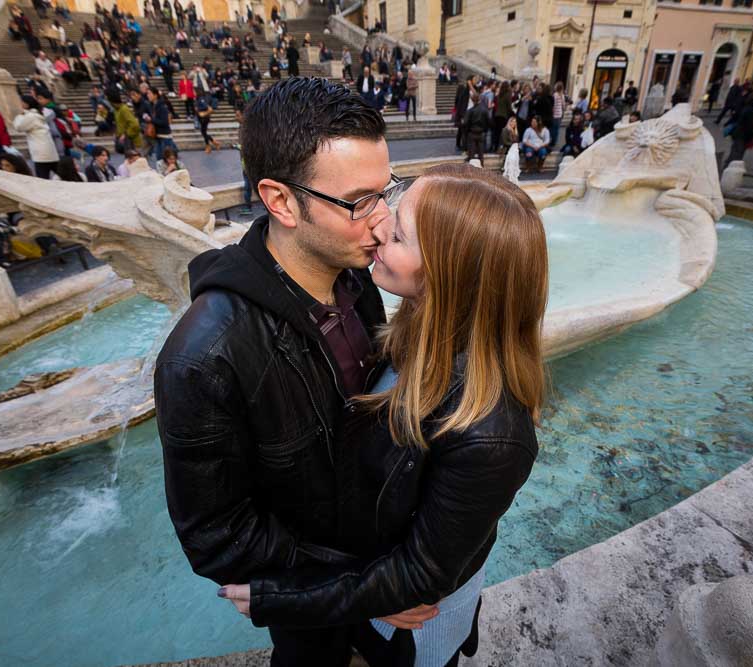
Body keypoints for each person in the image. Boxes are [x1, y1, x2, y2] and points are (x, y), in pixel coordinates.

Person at [217, 161, 546, 667]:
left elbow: (422, 576)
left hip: (409, 645)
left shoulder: (493, 435)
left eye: (399, 234)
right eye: (392, 209)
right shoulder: (417, 333)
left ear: (447, 277)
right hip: (370, 611)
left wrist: (282, 597)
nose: (378, 225)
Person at [156, 77, 420, 665]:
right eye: (358, 202)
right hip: (317, 604)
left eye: (387, 192)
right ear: (279, 201)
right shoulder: (203, 357)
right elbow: (217, 537)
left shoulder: (357, 279)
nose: (382, 224)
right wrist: (368, 583)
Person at [13, 95, 59, 179]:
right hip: (48, 150)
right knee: (59, 172)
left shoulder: (31, 116)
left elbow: (18, 127)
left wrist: (20, 115)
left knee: (42, 178)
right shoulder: (37, 113)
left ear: (26, 104)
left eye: (21, 102)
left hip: (40, 153)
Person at [725, 91, 753, 168]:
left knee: (735, 149)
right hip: (743, 134)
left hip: (738, 132)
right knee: (738, 151)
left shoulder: (746, 106)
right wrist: (751, 135)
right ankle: (731, 167)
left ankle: (728, 164)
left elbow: (737, 116)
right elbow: (750, 125)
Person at [463, 91, 489, 166]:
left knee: (472, 152)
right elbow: (489, 121)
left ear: (472, 100)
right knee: (481, 153)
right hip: (481, 133)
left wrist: (467, 131)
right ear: (480, 99)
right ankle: (482, 166)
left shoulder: (470, 111)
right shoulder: (484, 110)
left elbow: (465, 123)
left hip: (472, 132)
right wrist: (485, 129)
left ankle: (472, 169)